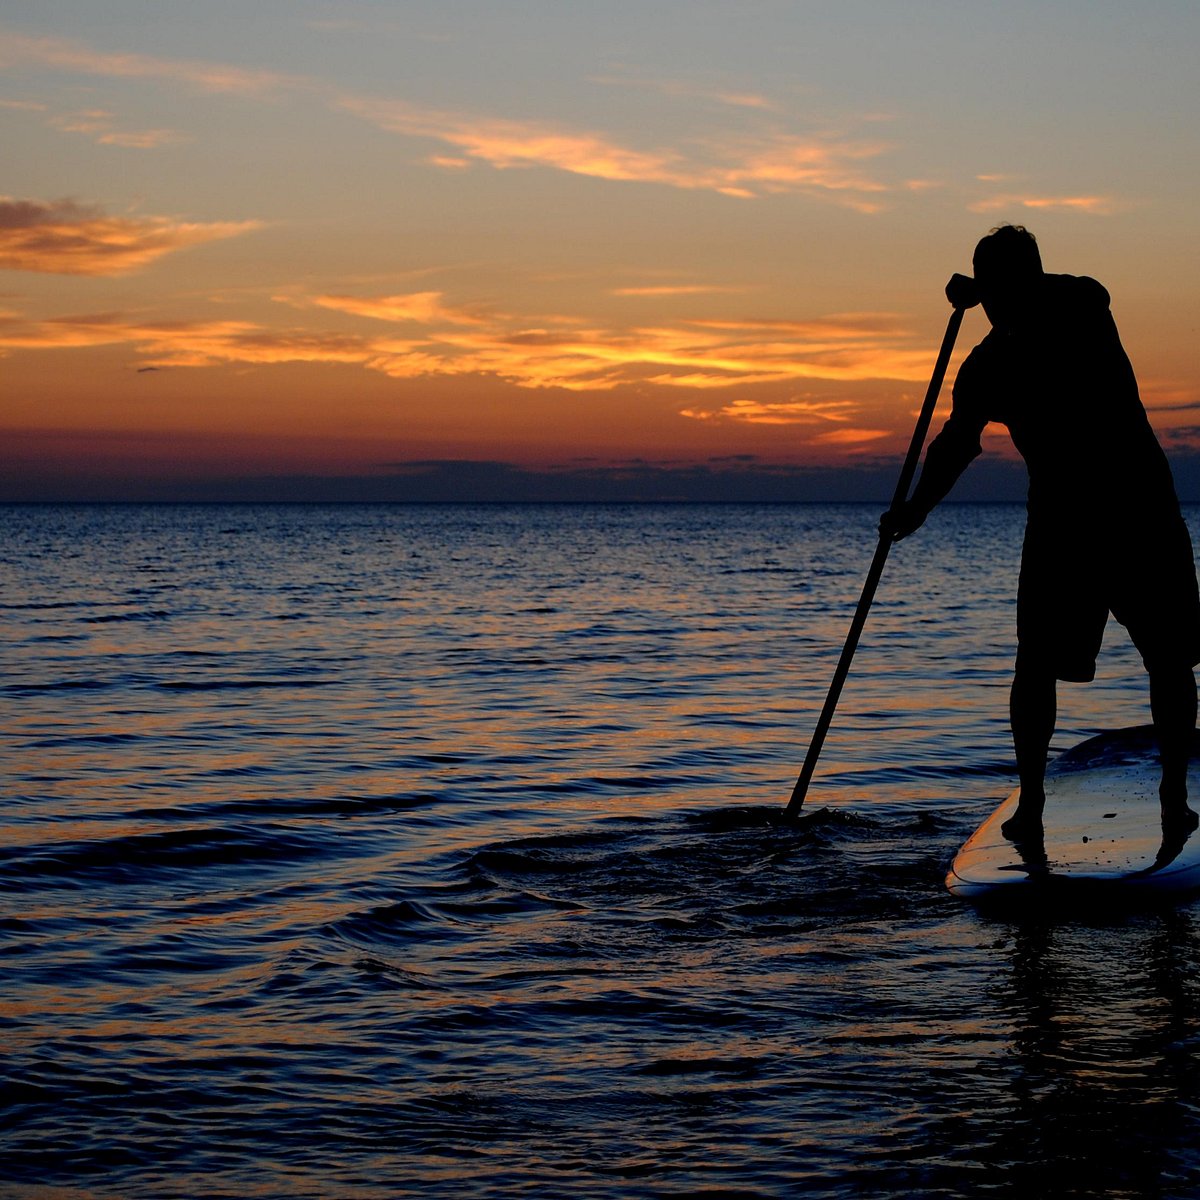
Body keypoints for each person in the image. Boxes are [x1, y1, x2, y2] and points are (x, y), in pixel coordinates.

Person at [881, 225, 1200, 841]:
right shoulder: (986, 366)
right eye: (992, 293)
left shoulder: (1082, 304)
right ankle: (1031, 803)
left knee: (1168, 656)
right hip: (1060, 524)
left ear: (1030, 278)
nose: (998, 304)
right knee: (1035, 665)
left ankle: (1173, 795)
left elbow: (1075, 292)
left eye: (1006, 287)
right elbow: (955, 444)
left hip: (1140, 510)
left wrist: (986, 286)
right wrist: (916, 509)